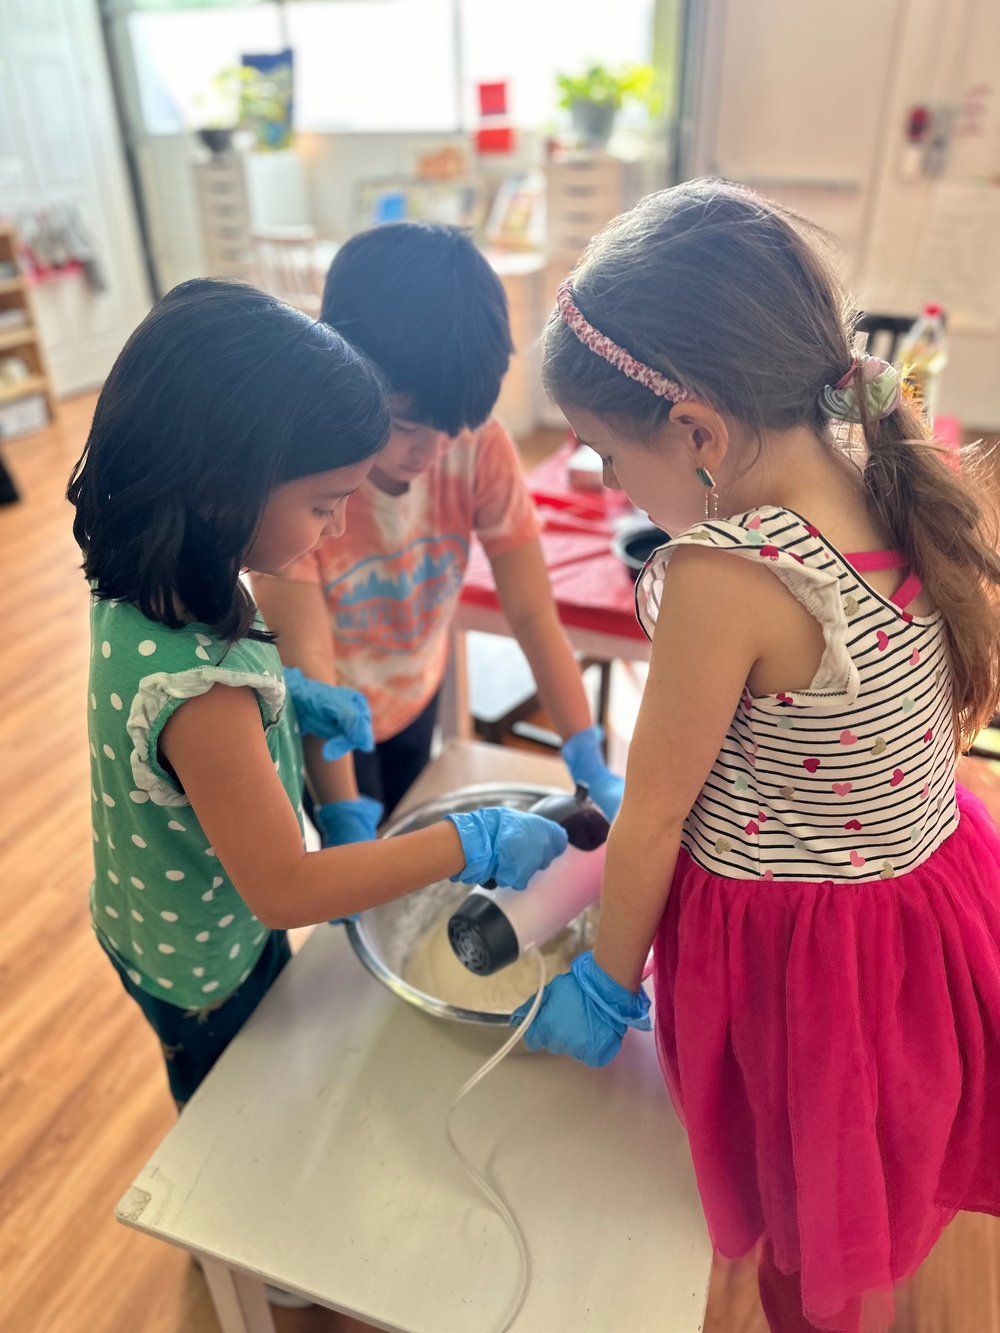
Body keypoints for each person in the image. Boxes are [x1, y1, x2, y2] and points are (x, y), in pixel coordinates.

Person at [516, 181, 1000, 1332]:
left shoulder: (728, 574)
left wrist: (601, 975)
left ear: (695, 431)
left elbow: (652, 818)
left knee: (811, 1208)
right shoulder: (879, 474)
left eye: (601, 455)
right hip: (918, 916)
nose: (608, 484)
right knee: (873, 1179)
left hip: (803, 959)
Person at [68, 279, 568, 1115]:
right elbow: (287, 891)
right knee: (227, 1106)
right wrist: (466, 840)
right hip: (200, 957)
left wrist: (288, 697)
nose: (336, 530)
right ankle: (215, 1240)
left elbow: (177, 745)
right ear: (223, 488)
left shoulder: (150, 584)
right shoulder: (205, 696)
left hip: (163, 904)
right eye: (323, 504)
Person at [253, 222, 622, 845]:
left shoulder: (475, 449)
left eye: (451, 424)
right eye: (404, 422)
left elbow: (533, 612)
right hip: (328, 715)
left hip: (417, 687)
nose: (431, 448)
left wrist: (585, 753)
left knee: (407, 823)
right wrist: (342, 815)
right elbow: (311, 662)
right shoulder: (303, 485)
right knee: (357, 856)